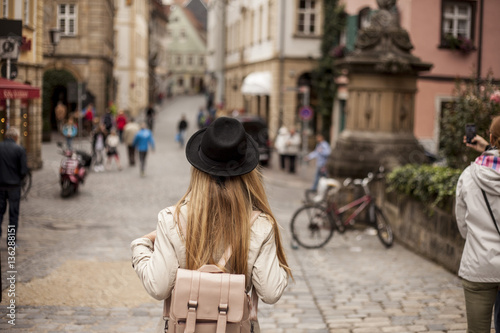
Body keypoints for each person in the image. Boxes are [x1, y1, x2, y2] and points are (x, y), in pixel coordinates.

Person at [130, 117, 291, 332]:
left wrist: (140, 246)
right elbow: (271, 292)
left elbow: (158, 288)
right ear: (248, 174)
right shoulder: (260, 225)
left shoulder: (172, 219)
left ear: (198, 169)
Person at [456, 116, 500, 333]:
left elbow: (463, 225)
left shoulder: (468, 177)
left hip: (479, 265)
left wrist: (480, 242)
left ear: (492, 138)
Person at [0, 128, 28, 246]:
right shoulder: (19, 149)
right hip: (14, 186)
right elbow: (23, 171)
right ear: (16, 137)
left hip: (0, 186)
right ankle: (11, 242)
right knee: (13, 215)